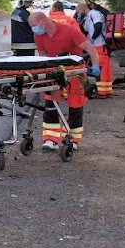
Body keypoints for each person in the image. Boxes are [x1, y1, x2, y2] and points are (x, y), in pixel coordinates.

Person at [28, 10, 100, 151]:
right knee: (50, 102)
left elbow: (90, 48)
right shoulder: (38, 36)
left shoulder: (68, 30)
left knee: (75, 105)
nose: (33, 30)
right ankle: (51, 139)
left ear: (43, 21)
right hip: (54, 73)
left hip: (75, 72)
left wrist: (96, 66)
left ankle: (73, 139)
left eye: (34, 25)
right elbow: (43, 56)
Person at [80, 0, 114, 97]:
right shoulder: (92, 14)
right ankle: (102, 90)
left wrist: (92, 39)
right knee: (100, 67)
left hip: (99, 45)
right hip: (96, 45)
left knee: (101, 67)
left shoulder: (95, 13)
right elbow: (85, 30)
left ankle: (102, 91)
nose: (85, 0)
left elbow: (98, 26)